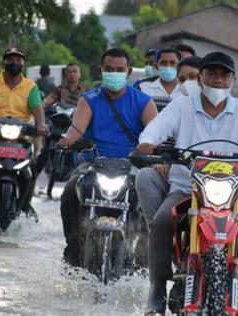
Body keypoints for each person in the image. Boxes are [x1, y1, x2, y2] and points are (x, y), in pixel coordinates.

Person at [136, 51, 238, 315]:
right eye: (211, 74)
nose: (218, 80)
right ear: (200, 78)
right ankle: (156, 291)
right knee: (164, 220)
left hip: (233, 195)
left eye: (224, 75)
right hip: (186, 191)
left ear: (233, 79)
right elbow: (157, 126)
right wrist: (148, 141)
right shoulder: (181, 106)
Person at [58, 48, 158, 265]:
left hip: (132, 168)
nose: (114, 73)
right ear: (100, 71)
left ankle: (144, 258)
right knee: (68, 192)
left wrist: (152, 150)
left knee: (150, 200)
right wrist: (68, 140)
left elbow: (156, 135)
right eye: (109, 69)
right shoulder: (89, 100)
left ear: (129, 72)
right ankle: (73, 249)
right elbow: (76, 130)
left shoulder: (144, 102)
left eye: (120, 70)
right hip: (92, 165)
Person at [0, 47, 46, 214]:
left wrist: (41, 125)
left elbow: (38, 110)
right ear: (3, 62)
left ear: (24, 64)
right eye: (10, 59)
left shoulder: (30, 86)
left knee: (31, 171)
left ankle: (26, 205)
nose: (14, 63)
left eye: (18, 60)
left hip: (21, 137)